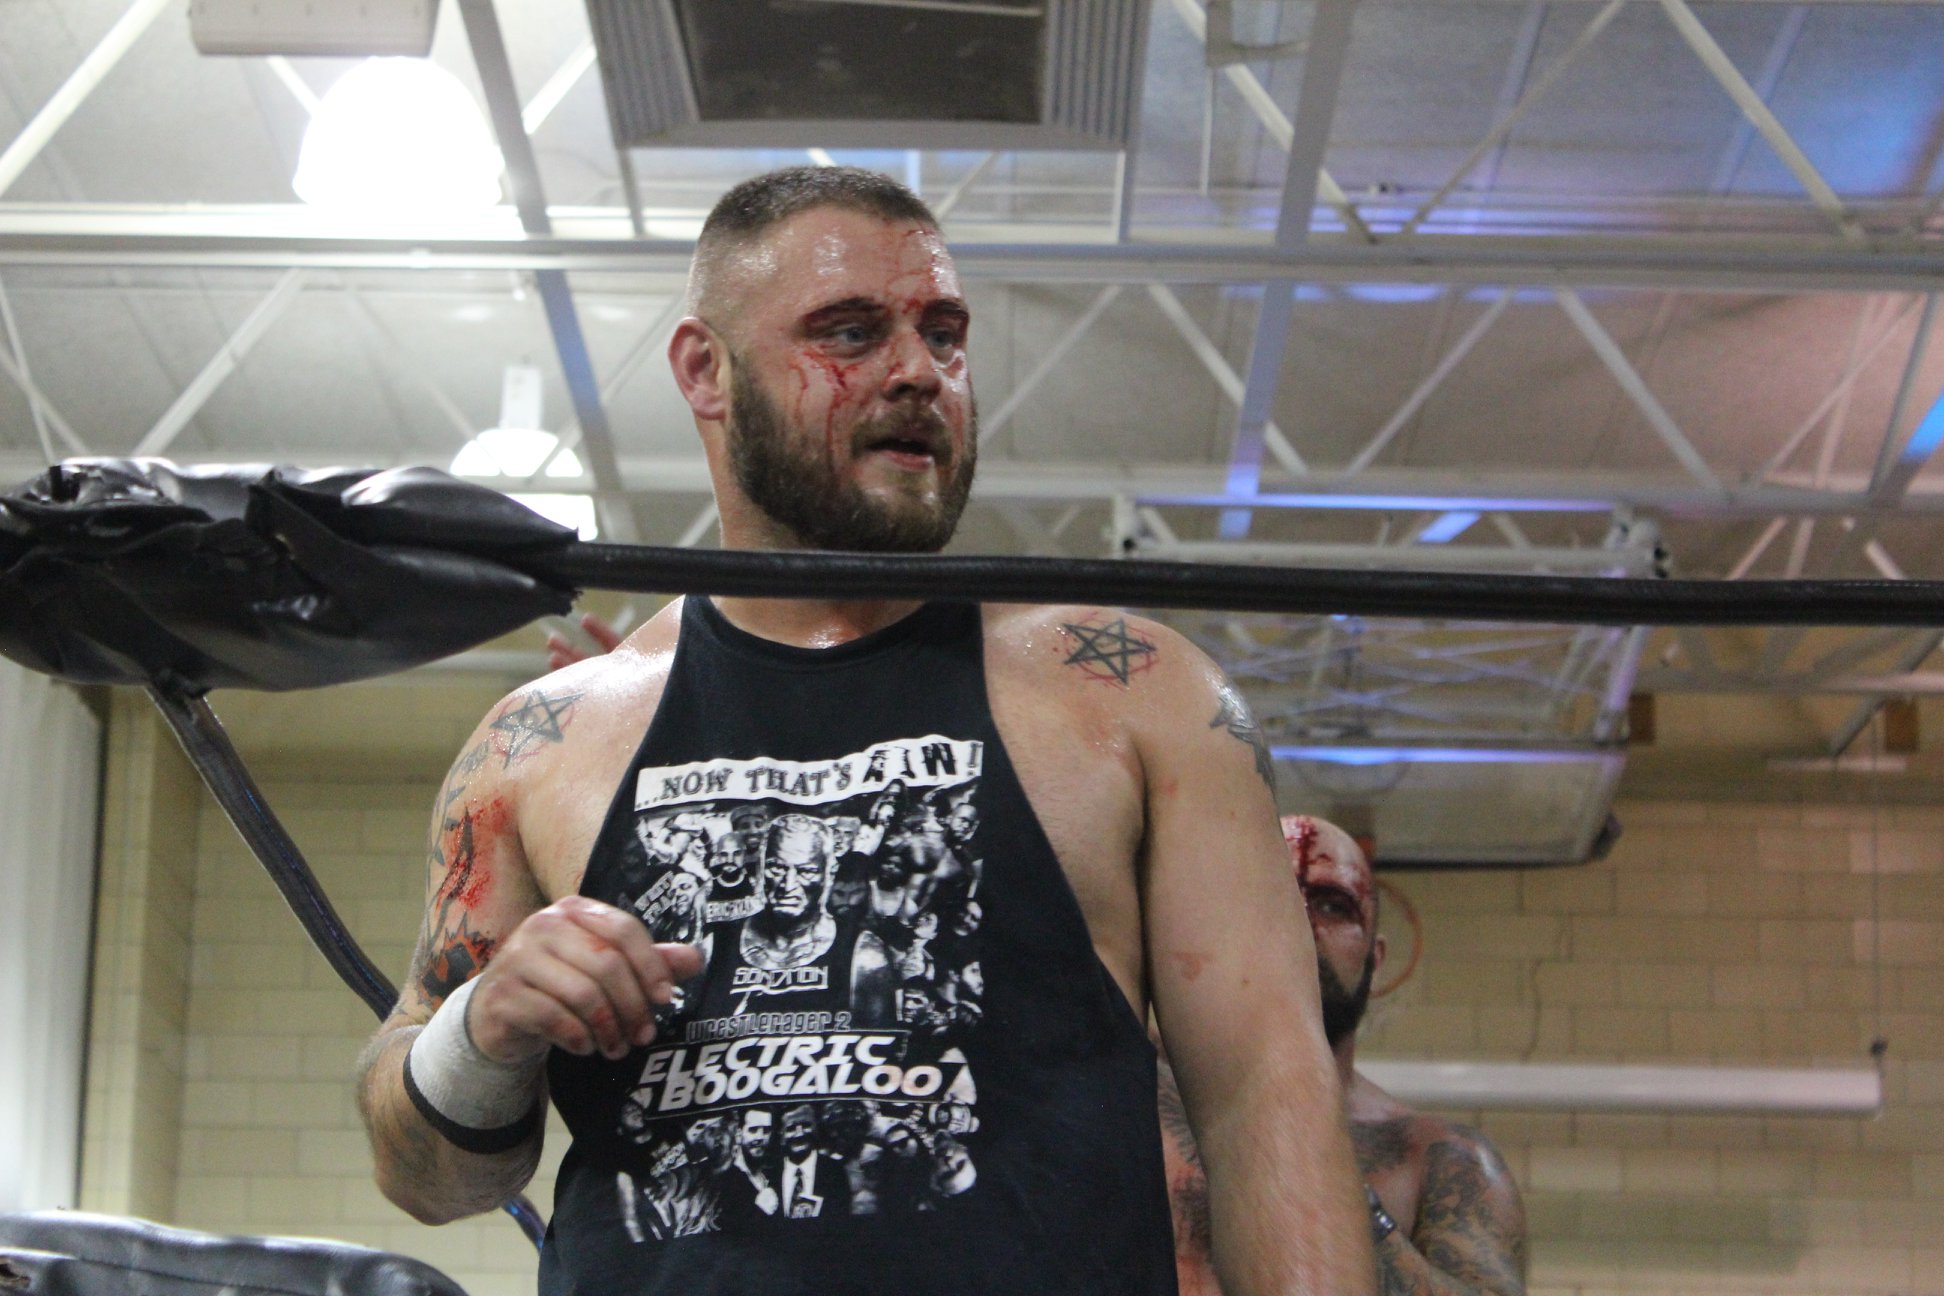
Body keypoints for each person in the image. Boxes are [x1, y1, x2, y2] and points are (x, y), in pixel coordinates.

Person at [356, 165, 1374, 1295]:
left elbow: (1263, 1099)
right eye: (850, 332)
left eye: (944, 334)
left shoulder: (1138, 696)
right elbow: (430, 1180)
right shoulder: (544, 742)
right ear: (705, 371)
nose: (919, 371)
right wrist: (485, 1031)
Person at [1158, 815, 1528, 1296]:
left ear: (1375, 958)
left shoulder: (1441, 1159)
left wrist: (1335, 1189)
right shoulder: (1131, 1095)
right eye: (1271, 896)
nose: (1300, 924)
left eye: (1333, 906)